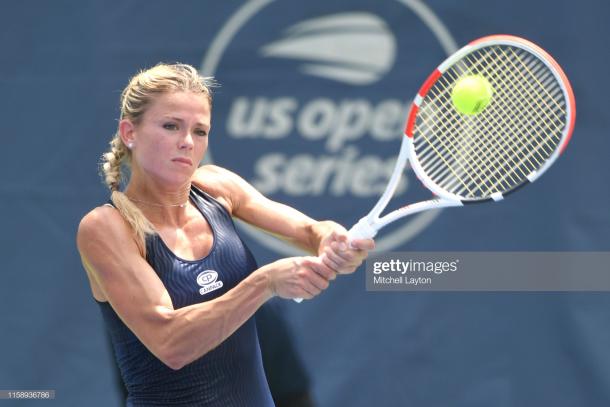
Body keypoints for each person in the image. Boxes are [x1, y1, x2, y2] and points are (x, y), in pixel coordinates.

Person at [76, 63, 374, 406]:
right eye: (171, 126)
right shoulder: (105, 228)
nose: (187, 142)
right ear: (130, 132)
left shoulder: (217, 186)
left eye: (200, 131)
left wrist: (331, 242)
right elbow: (171, 342)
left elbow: (310, 231)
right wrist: (265, 283)